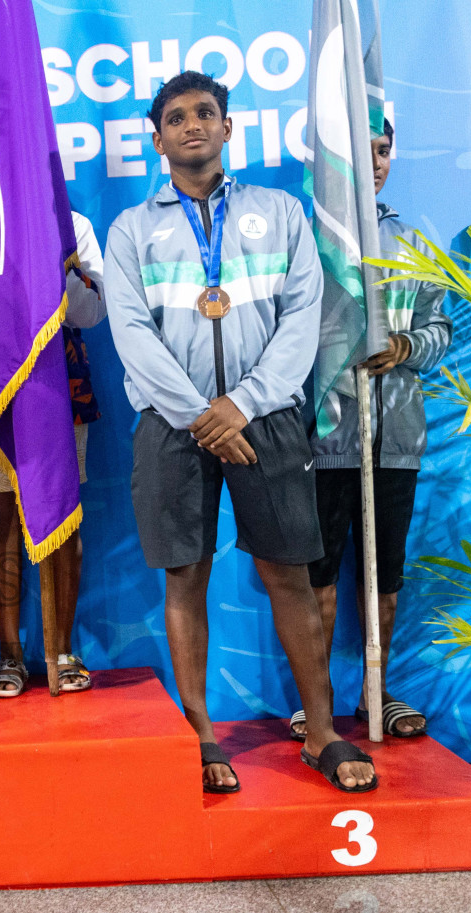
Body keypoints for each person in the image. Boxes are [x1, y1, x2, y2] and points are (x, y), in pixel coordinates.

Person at [103, 72, 378, 794]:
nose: (191, 125)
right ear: (157, 138)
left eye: (205, 113)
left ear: (228, 128)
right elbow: (130, 332)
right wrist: (200, 412)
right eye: (175, 117)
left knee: (291, 574)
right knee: (184, 576)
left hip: (269, 420)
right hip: (171, 424)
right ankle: (200, 734)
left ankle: (321, 731)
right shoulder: (133, 230)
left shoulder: (280, 213)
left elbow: (303, 318)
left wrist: (245, 403)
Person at [295, 117, 450, 742]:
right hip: (324, 436)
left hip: (397, 435)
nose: (375, 162)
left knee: (384, 578)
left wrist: (407, 344)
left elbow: (440, 329)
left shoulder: (414, 241)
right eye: (361, 152)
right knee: (320, 578)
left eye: (383, 150)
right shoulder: (308, 238)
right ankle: (319, 702)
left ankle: (375, 693)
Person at [0, 132, 106, 696]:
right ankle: (10, 654)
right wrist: (6, 284)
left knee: (62, 513)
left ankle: (62, 647)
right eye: (0, 162)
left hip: (59, 384)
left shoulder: (73, 227)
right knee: (0, 519)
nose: (12, 173)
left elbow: (92, 312)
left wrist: (50, 267)